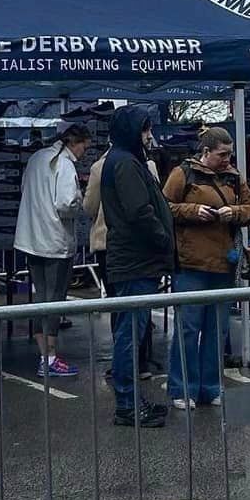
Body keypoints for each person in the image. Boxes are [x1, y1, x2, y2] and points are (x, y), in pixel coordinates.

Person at [162, 127, 250, 409]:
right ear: (205, 152)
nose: (227, 159)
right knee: (188, 329)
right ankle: (182, 389)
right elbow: (164, 206)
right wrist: (192, 211)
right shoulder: (182, 174)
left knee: (217, 330)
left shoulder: (234, 176)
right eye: (222, 154)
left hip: (223, 264)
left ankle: (211, 387)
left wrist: (236, 213)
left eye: (230, 154)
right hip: (190, 265)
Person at [101, 106, 173, 427]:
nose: (149, 136)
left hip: (134, 260)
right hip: (135, 262)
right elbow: (139, 211)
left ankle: (131, 400)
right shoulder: (125, 163)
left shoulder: (124, 160)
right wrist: (163, 240)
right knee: (130, 334)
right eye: (144, 130)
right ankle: (128, 404)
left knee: (131, 332)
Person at [15, 124, 91, 377]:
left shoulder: (37, 157)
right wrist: (80, 200)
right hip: (55, 241)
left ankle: (43, 354)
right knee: (54, 299)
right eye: (84, 147)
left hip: (30, 237)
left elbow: (25, 189)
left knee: (41, 298)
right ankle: (49, 358)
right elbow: (66, 203)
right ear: (75, 142)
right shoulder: (65, 165)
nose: (84, 153)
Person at [85, 138, 162, 379]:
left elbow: (89, 206)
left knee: (118, 305)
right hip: (142, 244)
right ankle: (140, 361)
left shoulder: (100, 167)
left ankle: (124, 365)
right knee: (140, 303)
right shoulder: (148, 165)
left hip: (108, 242)